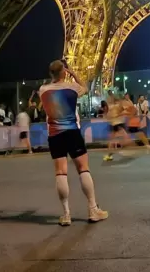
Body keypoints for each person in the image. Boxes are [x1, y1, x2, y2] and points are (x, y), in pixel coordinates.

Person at [39, 60, 108, 226]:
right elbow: (85, 87)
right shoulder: (72, 88)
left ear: (50, 74)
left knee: (60, 172)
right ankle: (92, 209)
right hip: (72, 131)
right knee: (83, 168)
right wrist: (73, 74)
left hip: (54, 135)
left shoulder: (43, 90)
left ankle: (66, 214)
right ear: (64, 72)